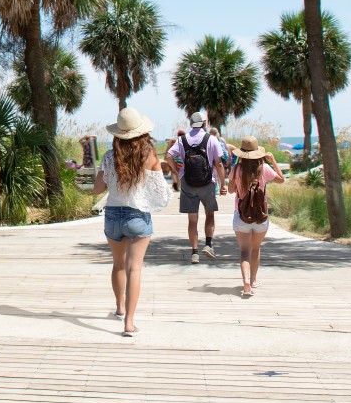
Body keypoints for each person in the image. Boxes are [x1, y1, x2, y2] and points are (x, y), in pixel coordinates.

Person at [94, 107, 171, 337]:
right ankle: (129, 323)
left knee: (118, 264)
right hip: (137, 216)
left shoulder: (109, 157)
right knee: (134, 268)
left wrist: (107, 175)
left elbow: (98, 189)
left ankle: (119, 308)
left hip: (112, 216)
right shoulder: (149, 155)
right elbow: (161, 190)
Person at [167, 112, 229, 263]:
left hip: (188, 182)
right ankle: (208, 245)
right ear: (204, 123)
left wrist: (177, 171)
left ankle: (194, 253)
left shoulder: (182, 139)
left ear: (190, 124)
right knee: (210, 214)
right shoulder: (211, 139)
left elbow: (168, 156)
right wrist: (223, 184)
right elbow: (219, 163)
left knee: (192, 219)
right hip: (208, 182)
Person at [230, 136, 286, 297]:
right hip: (261, 216)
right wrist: (273, 161)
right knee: (255, 249)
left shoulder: (237, 169)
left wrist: (236, 173)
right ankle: (254, 280)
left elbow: (232, 190)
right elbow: (281, 180)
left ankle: (246, 281)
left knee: (244, 251)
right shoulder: (264, 168)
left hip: (241, 216)